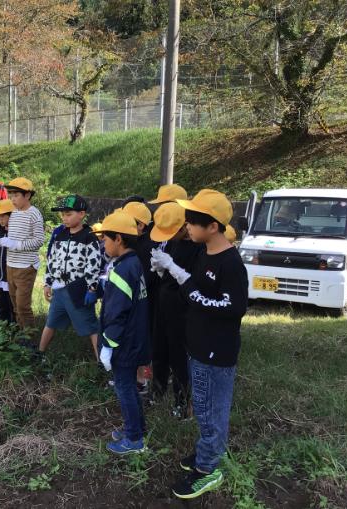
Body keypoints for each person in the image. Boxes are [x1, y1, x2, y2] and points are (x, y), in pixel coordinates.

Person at [150, 189, 248, 499]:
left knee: (210, 410)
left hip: (216, 350)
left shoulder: (230, 264)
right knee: (204, 403)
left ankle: (209, 468)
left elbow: (232, 308)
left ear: (213, 226)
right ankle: (206, 450)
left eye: (192, 221)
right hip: (198, 344)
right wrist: (171, 274)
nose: (187, 226)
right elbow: (193, 294)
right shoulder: (205, 252)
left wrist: (184, 281)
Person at [96, 211, 150, 455]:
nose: (102, 244)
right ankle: (136, 427)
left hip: (123, 341)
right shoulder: (134, 263)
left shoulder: (120, 271)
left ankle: (134, 438)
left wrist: (108, 344)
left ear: (118, 238)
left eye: (105, 238)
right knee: (129, 385)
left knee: (124, 387)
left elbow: (116, 313)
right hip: (136, 337)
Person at [150, 203, 204, 419]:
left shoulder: (200, 248)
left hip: (183, 309)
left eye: (172, 232)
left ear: (184, 226)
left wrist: (171, 266)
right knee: (159, 348)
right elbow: (168, 275)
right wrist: (160, 268)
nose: (170, 237)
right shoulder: (175, 243)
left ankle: (182, 402)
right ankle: (157, 390)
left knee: (179, 355)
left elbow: (195, 283)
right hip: (163, 303)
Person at [38, 195, 102, 360]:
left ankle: (101, 362)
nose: (64, 218)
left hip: (77, 290)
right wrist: (48, 283)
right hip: (59, 289)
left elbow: (93, 265)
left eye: (68, 214)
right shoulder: (60, 235)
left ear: (81, 214)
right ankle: (40, 353)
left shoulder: (89, 237)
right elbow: (52, 260)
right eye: (62, 215)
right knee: (51, 322)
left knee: (90, 327)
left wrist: (91, 288)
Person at [0, 177, 45, 333]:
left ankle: (30, 338)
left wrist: (17, 245)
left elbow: (40, 240)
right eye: (10, 195)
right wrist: (1, 241)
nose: (12, 199)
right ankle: (20, 335)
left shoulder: (34, 214)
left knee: (23, 306)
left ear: (27, 195)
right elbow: (11, 237)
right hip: (10, 265)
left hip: (26, 267)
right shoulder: (13, 214)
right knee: (14, 305)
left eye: (16, 195)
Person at [122, 201, 156, 395]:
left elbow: (146, 277)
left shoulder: (146, 246)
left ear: (141, 225)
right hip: (133, 299)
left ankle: (142, 380)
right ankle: (134, 376)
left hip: (144, 301)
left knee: (142, 339)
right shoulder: (133, 243)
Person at [0, 199, 16, 322]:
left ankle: (16, 332)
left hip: (12, 277)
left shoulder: (16, 234)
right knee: (2, 305)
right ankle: (4, 332)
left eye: (4, 216)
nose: (0, 219)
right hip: (0, 278)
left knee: (13, 306)